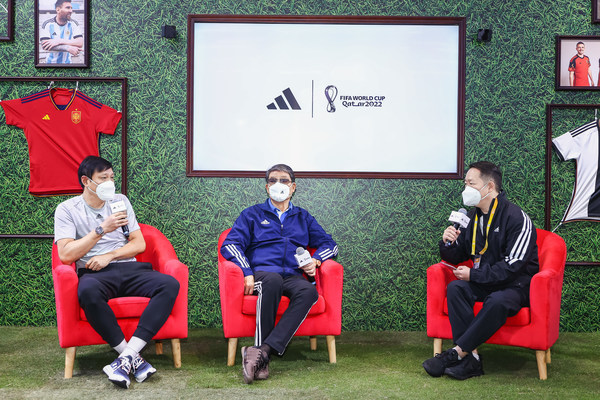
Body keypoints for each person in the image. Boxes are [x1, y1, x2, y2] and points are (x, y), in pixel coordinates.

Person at [54, 156, 180, 389]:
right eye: (103, 178)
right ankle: (133, 358)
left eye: (112, 177)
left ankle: (126, 357)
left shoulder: (120, 201)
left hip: (129, 268)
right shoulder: (67, 209)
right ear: (86, 181)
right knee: (88, 293)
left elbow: (139, 244)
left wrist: (110, 256)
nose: (110, 183)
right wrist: (102, 229)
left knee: (169, 284)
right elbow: (66, 254)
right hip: (94, 273)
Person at [221, 164, 339, 384]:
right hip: (262, 274)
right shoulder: (252, 214)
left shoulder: (303, 217)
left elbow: (330, 244)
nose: (278, 184)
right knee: (272, 281)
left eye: (284, 180)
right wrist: (246, 271)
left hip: (293, 275)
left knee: (308, 291)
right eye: (273, 180)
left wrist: (316, 260)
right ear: (267, 187)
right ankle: (261, 357)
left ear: (293, 187)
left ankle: (261, 352)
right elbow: (230, 244)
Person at [422, 161, 538, 380]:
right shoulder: (473, 217)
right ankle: (472, 359)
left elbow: (512, 266)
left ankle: (456, 353)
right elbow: (457, 255)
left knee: (497, 300)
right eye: (465, 183)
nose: (466, 188)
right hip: (485, 281)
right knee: (456, 288)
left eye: (471, 183)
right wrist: (447, 243)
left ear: (489, 186)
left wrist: (473, 275)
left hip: (515, 285)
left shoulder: (517, 218)